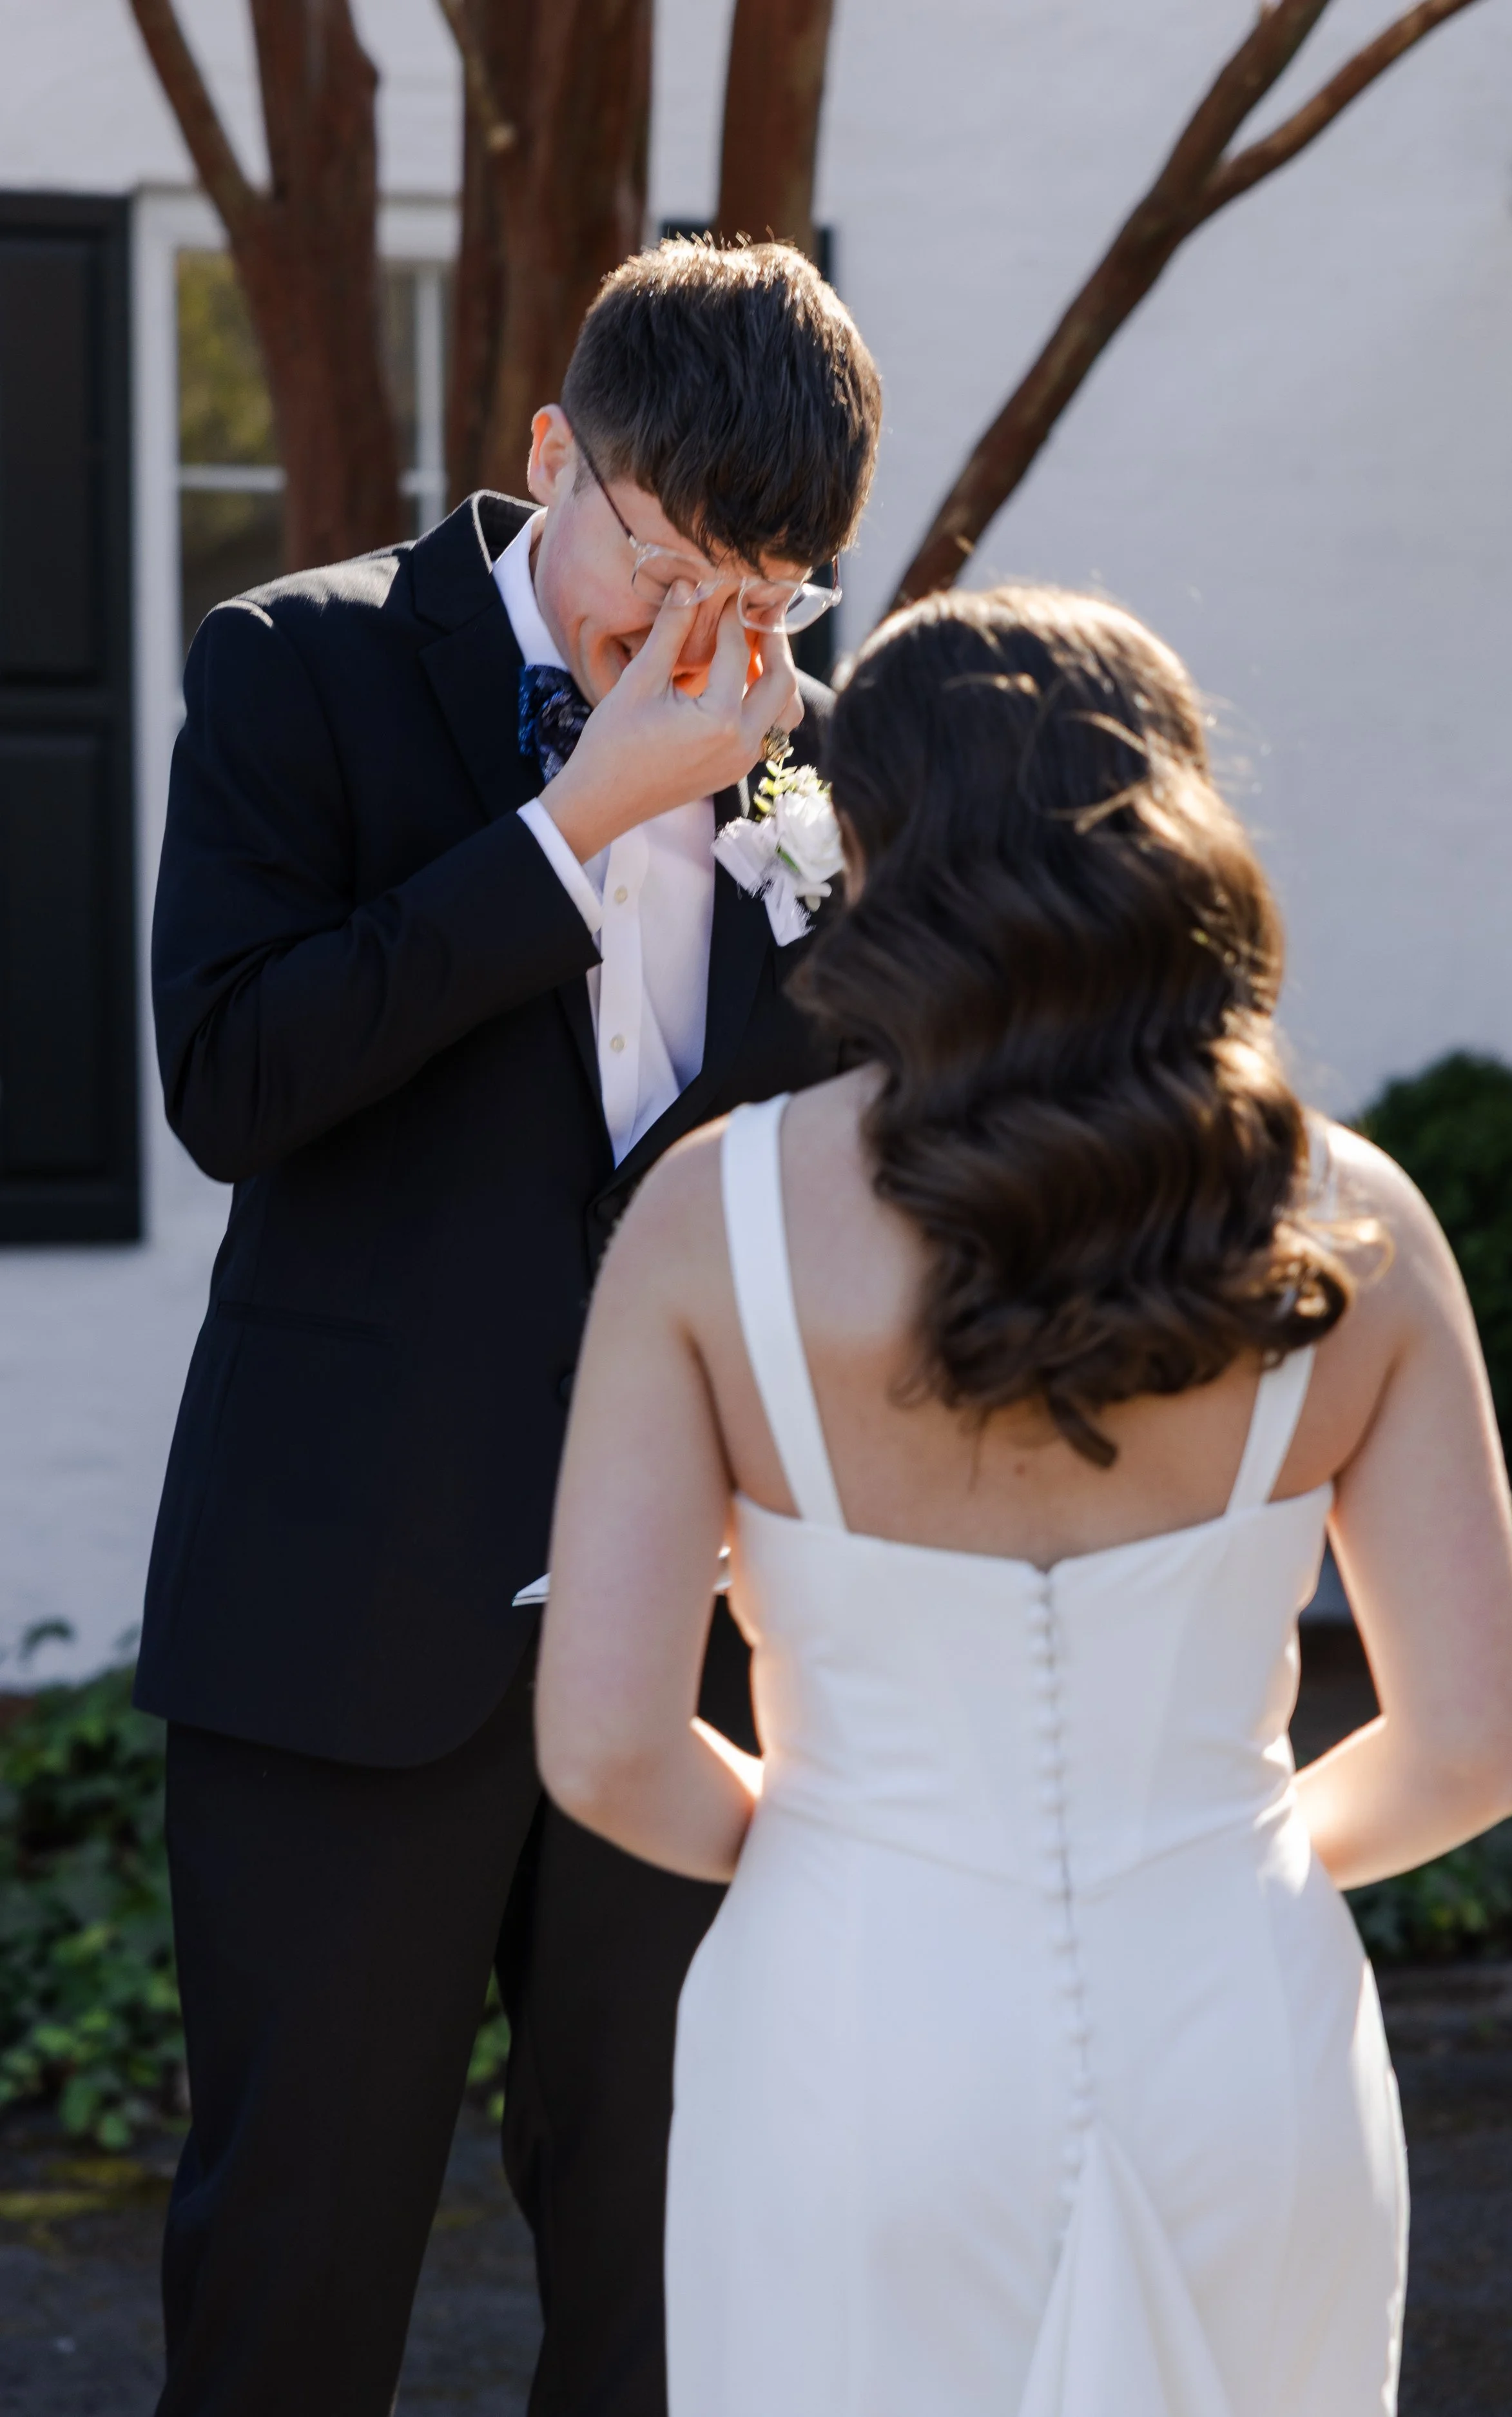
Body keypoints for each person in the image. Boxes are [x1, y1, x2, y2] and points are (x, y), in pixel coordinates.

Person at [536, 585, 1512, 2417]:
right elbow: (1471, 1743)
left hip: (850, 2029)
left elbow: (605, 1742)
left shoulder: (711, 1218)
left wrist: (845, 1848)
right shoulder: (1359, 1223)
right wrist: (1197, 1870)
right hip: (1241, 2033)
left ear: (869, 843)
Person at [136, 238, 881, 2417]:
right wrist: (579, 827)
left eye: (768, 601)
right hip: (344, 1623)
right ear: (555, 455)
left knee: (679, 2277)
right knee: (293, 2264)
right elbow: (233, 1081)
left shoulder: (816, 760)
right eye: (654, 569)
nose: (700, 645)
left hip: (710, 1662)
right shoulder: (299, 668)